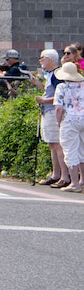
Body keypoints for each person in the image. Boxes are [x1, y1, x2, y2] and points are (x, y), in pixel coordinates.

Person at [32, 49, 69, 188]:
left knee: (57, 144)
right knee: (52, 143)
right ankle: (56, 174)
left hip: (54, 111)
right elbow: (49, 92)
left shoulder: (57, 75)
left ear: (49, 59)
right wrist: (37, 84)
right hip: (48, 111)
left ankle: (64, 176)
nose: (40, 60)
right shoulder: (50, 75)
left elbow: (61, 96)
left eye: (42, 58)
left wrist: (44, 100)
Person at [53, 62, 84, 193]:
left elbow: (58, 108)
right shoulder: (83, 86)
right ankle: (82, 180)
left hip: (69, 121)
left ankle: (74, 183)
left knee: (70, 150)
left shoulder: (61, 87)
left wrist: (58, 122)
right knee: (82, 150)